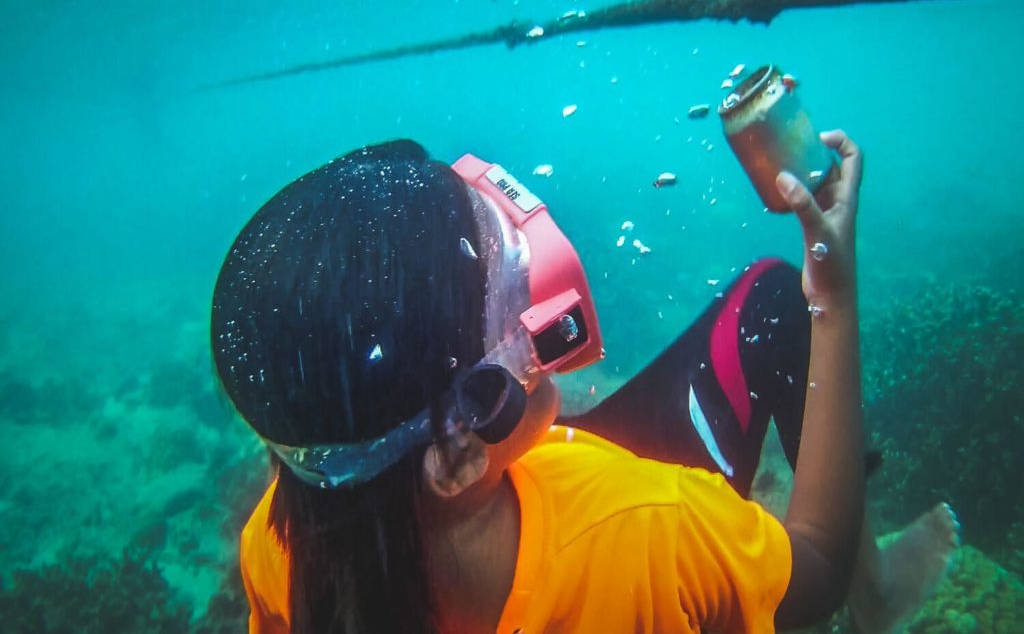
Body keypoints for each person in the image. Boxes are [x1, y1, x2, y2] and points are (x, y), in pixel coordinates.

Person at [211, 133, 957, 634]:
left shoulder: (283, 543)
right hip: (593, 536)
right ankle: (882, 589)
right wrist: (837, 296)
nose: (537, 286)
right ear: (457, 454)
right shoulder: (659, 535)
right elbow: (815, 570)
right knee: (773, 297)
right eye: (510, 295)